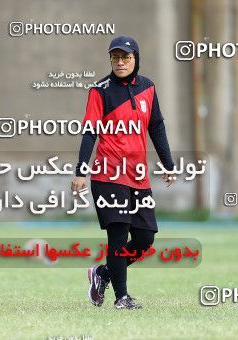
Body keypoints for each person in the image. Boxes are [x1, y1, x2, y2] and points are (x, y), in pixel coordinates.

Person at [71, 35, 175, 310]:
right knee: (118, 235)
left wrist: (168, 163)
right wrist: (81, 171)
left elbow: (157, 127)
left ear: (135, 59)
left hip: (138, 174)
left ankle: (102, 273)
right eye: (115, 58)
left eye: (125, 57)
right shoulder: (100, 90)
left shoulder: (148, 88)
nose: (120, 62)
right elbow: (90, 131)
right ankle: (122, 297)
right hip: (108, 174)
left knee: (145, 239)